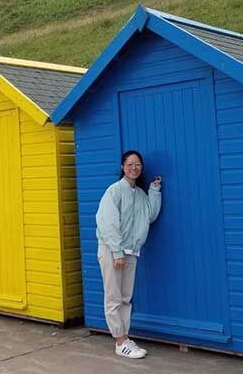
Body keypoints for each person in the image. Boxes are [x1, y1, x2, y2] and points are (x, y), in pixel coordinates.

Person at [96, 150, 162, 359]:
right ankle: (119, 340)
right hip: (112, 251)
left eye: (138, 164)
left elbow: (149, 215)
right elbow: (107, 223)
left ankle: (124, 337)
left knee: (125, 297)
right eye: (130, 164)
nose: (134, 168)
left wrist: (155, 190)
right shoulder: (114, 191)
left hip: (131, 252)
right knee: (114, 297)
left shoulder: (140, 194)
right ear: (123, 167)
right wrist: (116, 252)